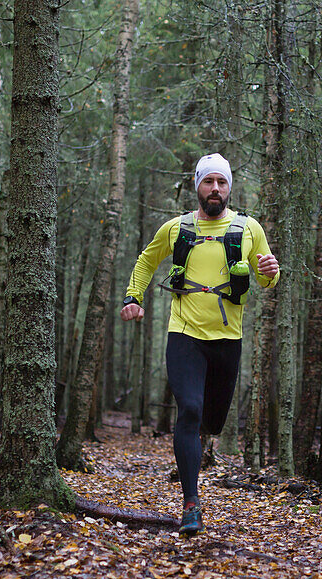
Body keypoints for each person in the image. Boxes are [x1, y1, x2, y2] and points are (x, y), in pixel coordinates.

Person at [120, 153, 280, 536]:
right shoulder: (177, 228)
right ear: (197, 186)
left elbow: (266, 277)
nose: (215, 189)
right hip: (185, 333)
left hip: (228, 339)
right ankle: (191, 503)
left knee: (213, 420)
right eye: (208, 182)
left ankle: (199, 449)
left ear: (229, 188)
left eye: (221, 183)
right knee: (189, 410)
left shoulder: (248, 228)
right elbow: (146, 260)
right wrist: (132, 298)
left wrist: (272, 273)